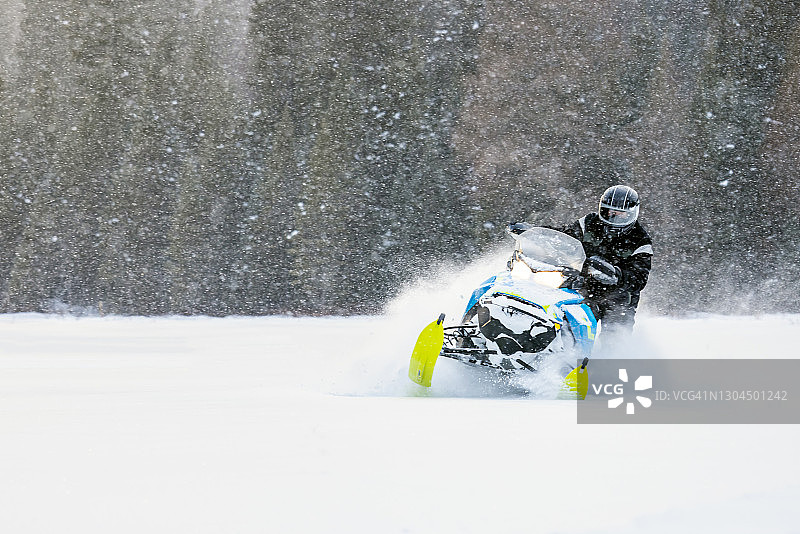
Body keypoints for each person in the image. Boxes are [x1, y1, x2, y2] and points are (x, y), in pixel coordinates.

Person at [513, 184, 653, 336]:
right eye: (610, 212)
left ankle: (613, 356)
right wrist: (534, 232)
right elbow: (563, 234)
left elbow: (639, 277)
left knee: (615, 336)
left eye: (621, 214)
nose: (614, 217)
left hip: (618, 295)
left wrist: (616, 274)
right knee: (566, 318)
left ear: (632, 213)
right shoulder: (590, 222)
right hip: (583, 283)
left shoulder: (640, 240)